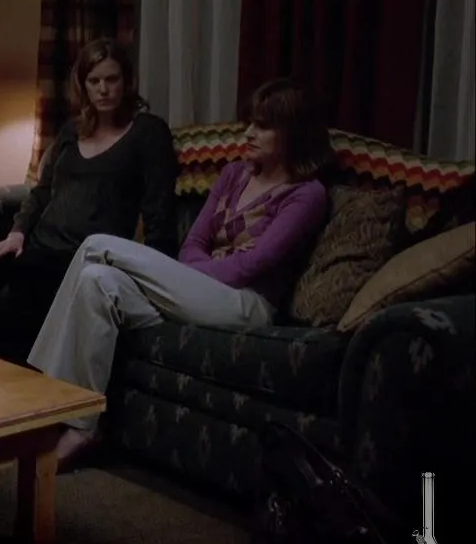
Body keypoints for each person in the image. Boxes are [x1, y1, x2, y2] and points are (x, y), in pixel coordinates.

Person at [25, 77, 335, 466]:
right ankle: (83, 425)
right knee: (96, 281)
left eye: (263, 126)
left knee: (96, 245)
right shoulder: (235, 174)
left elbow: (255, 263)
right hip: (198, 290)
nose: (249, 134)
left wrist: (195, 275)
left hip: (247, 304)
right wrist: (192, 275)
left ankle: (40, 392)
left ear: (293, 133)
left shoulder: (306, 195)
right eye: (250, 124)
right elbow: (193, 243)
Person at [0, 38, 179, 361]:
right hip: (38, 245)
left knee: (21, 291)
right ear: (83, 86)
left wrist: (152, 276)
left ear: (127, 81)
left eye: (111, 79)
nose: (103, 90)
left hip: (83, 258)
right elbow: (42, 191)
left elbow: (160, 211)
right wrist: (17, 233)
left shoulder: (147, 132)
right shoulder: (72, 131)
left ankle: (12, 383)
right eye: (94, 81)